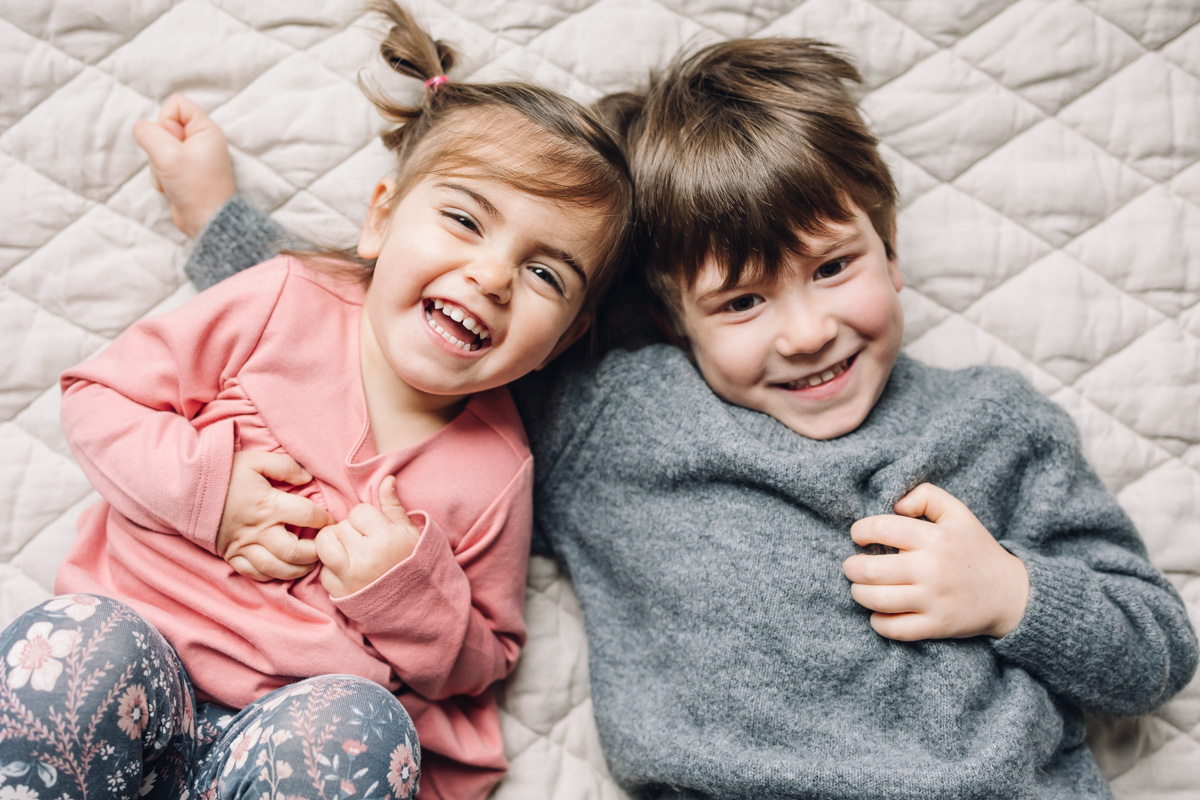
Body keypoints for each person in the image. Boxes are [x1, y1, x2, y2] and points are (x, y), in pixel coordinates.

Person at [107, 33, 1197, 800]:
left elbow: (1154, 649)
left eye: (835, 267)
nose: (807, 330)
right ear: (672, 315)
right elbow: (405, 341)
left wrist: (1013, 592)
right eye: (742, 301)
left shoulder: (991, 426)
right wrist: (217, 217)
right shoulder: (611, 418)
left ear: (892, 247)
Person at [0, 3, 632, 799]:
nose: (493, 276)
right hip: (141, 662)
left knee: (360, 728)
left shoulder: (497, 468)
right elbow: (97, 402)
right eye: (465, 220)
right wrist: (210, 493)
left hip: (290, 733)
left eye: (546, 275)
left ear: (566, 339)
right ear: (380, 220)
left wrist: (407, 590)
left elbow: (484, 662)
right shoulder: (282, 301)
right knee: (72, 646)